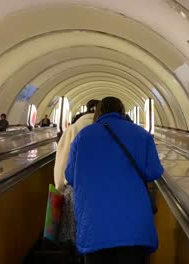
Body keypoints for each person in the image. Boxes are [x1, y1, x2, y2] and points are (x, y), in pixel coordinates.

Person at [65, 97, 164, 263]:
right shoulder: (141, 134)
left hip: (94, 224)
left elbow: (70, 176)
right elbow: (154, 172)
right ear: (122, 112)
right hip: (134, 226)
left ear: (98, 112)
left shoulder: (82, 136)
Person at [53, 99, 99, 244]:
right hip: (101, 189)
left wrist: (59, 187)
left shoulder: (73, 128)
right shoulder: (105, 128)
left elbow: (62, 160)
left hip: (75, 188)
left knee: (75, 232)